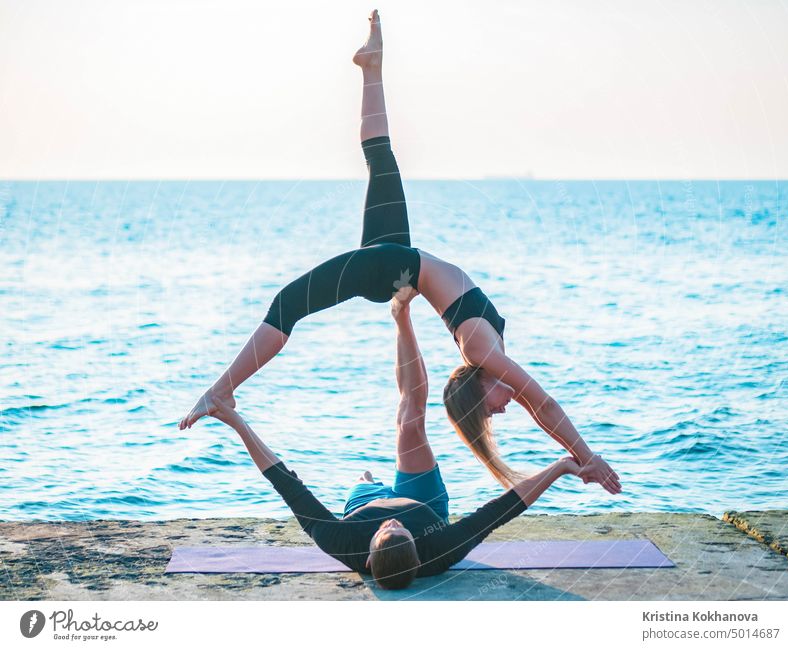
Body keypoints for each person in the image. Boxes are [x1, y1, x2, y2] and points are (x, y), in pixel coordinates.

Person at [179, 9, 621, 495]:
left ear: (477, 388)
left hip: (393, 269)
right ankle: (372, 66)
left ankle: (223, 390)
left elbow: (543, 406)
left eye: (493, 410)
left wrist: (582, 456)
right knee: (380, 159)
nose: (504, 406)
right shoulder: (485, 349)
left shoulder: (480, 350)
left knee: (289, 304)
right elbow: (545, 404)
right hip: (397, 264)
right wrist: (586, 455)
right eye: (499, 408)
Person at [208, 293, 588, 589]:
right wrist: (560, 467)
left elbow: (285, 482)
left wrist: (236, 422)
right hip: (424, 505)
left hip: (362, 505)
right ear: (416, 548)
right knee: (411, 423)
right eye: (399, 529)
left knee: (372, 472)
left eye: (385, 530)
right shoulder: (441, 550)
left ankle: (367, 481)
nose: (392, 521)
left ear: (368, 560)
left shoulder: (342, 541)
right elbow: (501, 509)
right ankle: (402, 314)